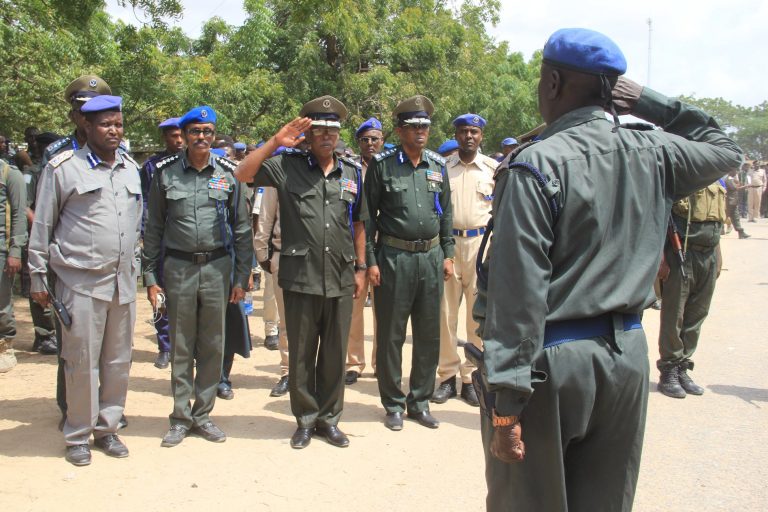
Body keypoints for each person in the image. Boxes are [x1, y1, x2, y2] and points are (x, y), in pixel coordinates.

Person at [473, 28, 742, 511]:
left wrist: (505, 408)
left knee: (529, 503)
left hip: (550, 366)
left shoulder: (536, 164)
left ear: (552, 82)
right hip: (627, 357)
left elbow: (518, 294)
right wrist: (650, 103)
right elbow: (724, 148)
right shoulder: (655, 151)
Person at [235, 96, 368, 449]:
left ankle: (330, 419)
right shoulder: (285, 165)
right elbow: (243, 173)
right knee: (302, 353)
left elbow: (358, 223)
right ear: (308, 134)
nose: (326, 136)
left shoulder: (352, 172)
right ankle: (305, 420)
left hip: (340, 275)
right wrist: (275, 142)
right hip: (300, 274)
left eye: (332, 130)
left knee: (335, 354)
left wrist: (361, 268)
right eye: (319, 130)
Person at [28, 95, 142, 466]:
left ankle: (107, 429)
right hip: (79, 283)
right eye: (106, 124)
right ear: (87, 127)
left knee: (117, 362)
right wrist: (38, 278)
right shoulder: (63, 168)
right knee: (80, 361)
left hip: (121, 284)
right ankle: (78, 434)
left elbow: (136, 223)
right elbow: (43, 225)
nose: (114, 131)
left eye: (118, 124)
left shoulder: (129, 167)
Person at [143, 106, 252, 448]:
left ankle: (203, 414)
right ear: (185, 135)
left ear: (214, 134)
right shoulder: (166, 174)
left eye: (207, 132)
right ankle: (179, 416)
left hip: (218, 269)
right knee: (181, 343)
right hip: (178, 268)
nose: (201, 138)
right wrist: (149, 274)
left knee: (212, 344)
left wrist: (242, 275)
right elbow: (154, 226)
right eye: (195, 132)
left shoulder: (229, 173)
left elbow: (242, 227)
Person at [365, 95, 454, 431]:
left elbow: (446, 214)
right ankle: (393, 403)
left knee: (429, 334)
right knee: (391, 334)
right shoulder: (382, 165)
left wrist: (448, 254)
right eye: (413, 126)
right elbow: (367, 217)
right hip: (393, 257)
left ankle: (420, 401)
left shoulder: (437, 165)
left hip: (430, 258)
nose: (420, 132)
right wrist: (370, 261)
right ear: (400, 130)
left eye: (425, 126)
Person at [40, 74, 113, 425]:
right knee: (73, 345)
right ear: (75, 116)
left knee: (109, 348)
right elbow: (45, 213)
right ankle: (70, 409)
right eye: (83, 110)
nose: (90, 116)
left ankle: (102, 411)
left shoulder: (121, 154)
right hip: (70, 268)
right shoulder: (58, 155)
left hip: (111, 272)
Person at [432, 113, 497, 407]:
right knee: (445, 313)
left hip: (480, 245)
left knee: (476, 313)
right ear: (455, 135)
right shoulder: (443, 168)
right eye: (463, 131)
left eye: (473, 132)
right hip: (448, 244)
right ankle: (446, 376)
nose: (468, 136)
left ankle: (470, 378)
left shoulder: (493, 170)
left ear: (481, 136)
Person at [656, 182, 727, 398]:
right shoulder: (679, 180)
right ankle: (668, 370)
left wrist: (718, 256)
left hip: (708, 255)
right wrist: (661, 259)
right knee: (674, 315)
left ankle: (682, 368)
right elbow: (658, 219)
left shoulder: (719, 181)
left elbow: (716, 223)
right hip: (681, 254)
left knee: (697, 315)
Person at [140, 117, 184, 370]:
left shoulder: (196, 160)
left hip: (187, 240)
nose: (177, 140)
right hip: (161, 239)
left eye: (180, 135)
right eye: (172, 136)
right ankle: (164, 346)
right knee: (160, 294)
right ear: (164, 138)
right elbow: (144, 201)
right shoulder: (151, 166)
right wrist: (146, 234)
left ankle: (188, 348)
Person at [345, 117, 384, 385]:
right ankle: (354, 363)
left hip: (385, 246)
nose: (370, 143)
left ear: (382, 141)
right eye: (365, 139)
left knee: (384, 309)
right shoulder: (349, 169)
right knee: (354, 306)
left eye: (374, 139)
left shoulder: (392, 167)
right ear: (358, 143)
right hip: (355, 245)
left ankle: (380, 362)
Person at [22, 132, 61, 355]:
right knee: (39, 285)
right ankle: (44, 335)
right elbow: (24, 206)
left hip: (59, 239)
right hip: (39, 238)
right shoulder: (33, 173)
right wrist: (42, 225)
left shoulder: (61, 170)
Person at [254, 185, 290, 397]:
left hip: (324, 259)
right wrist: (262, 254)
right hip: (285, 256)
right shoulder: (278, 171)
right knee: (286, 322)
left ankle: (317, 375)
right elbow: (263, 216)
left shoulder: (336, 169)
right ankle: (288, 373)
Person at [0, 147, 28, 373]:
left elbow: (19, 214)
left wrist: (15, 251)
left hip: (1, 250)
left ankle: (5, 346)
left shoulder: (10, 173)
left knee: (2, 304)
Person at [725, 169, 750, 238]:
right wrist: (744, 186)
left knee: (735, 217)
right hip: (730, 201)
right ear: (730, 171)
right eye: (734, 171)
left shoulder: (731, 179)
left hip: (733, 201)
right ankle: (719, 231)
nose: (736, 172)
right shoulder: (728, 180)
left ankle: (741, 232)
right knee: (725, 217)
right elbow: (734, 188)